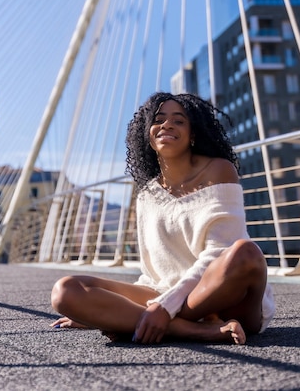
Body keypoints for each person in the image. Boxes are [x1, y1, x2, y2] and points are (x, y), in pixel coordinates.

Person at [51, 92, 275, 344]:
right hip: (163, 292)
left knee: (246, 253)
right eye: (158, 119)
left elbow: (219, 253)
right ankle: (191, 330)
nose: (167, 124)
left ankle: (145, 321)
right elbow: (153, 271)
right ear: (147, 133)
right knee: (66, 291)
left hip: (223, 297)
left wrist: (158, 308)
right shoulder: (147, 194)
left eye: (179, 121)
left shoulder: (219, 170)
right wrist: (106, 306)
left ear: (193, 134)